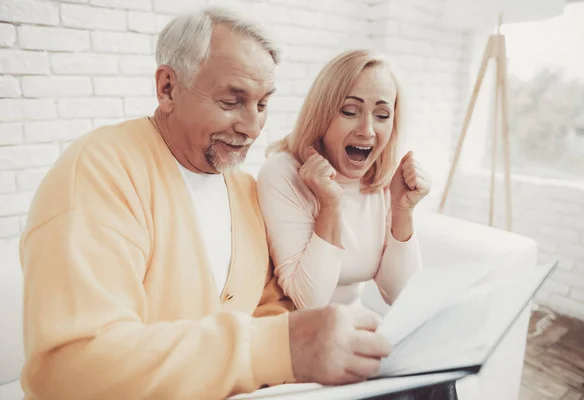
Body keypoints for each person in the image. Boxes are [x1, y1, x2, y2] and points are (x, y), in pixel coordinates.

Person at [18, 8, 394, 400]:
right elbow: (73, 368)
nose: (252, 127)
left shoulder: (244, 190)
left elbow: (270, 308)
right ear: (168, 88)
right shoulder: (99, 171)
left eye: (263, 104)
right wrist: (278, 348)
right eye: (232, 102)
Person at [257, 49, 433, 310]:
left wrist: (402, 210)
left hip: (354, 325)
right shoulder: (281, 173)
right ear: (322, 114)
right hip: (299, 333)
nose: (367, 130)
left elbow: (403, 296)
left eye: (382, 115)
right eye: (350, 111)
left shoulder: (384, 178)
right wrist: (329, 204)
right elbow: (309, 301)